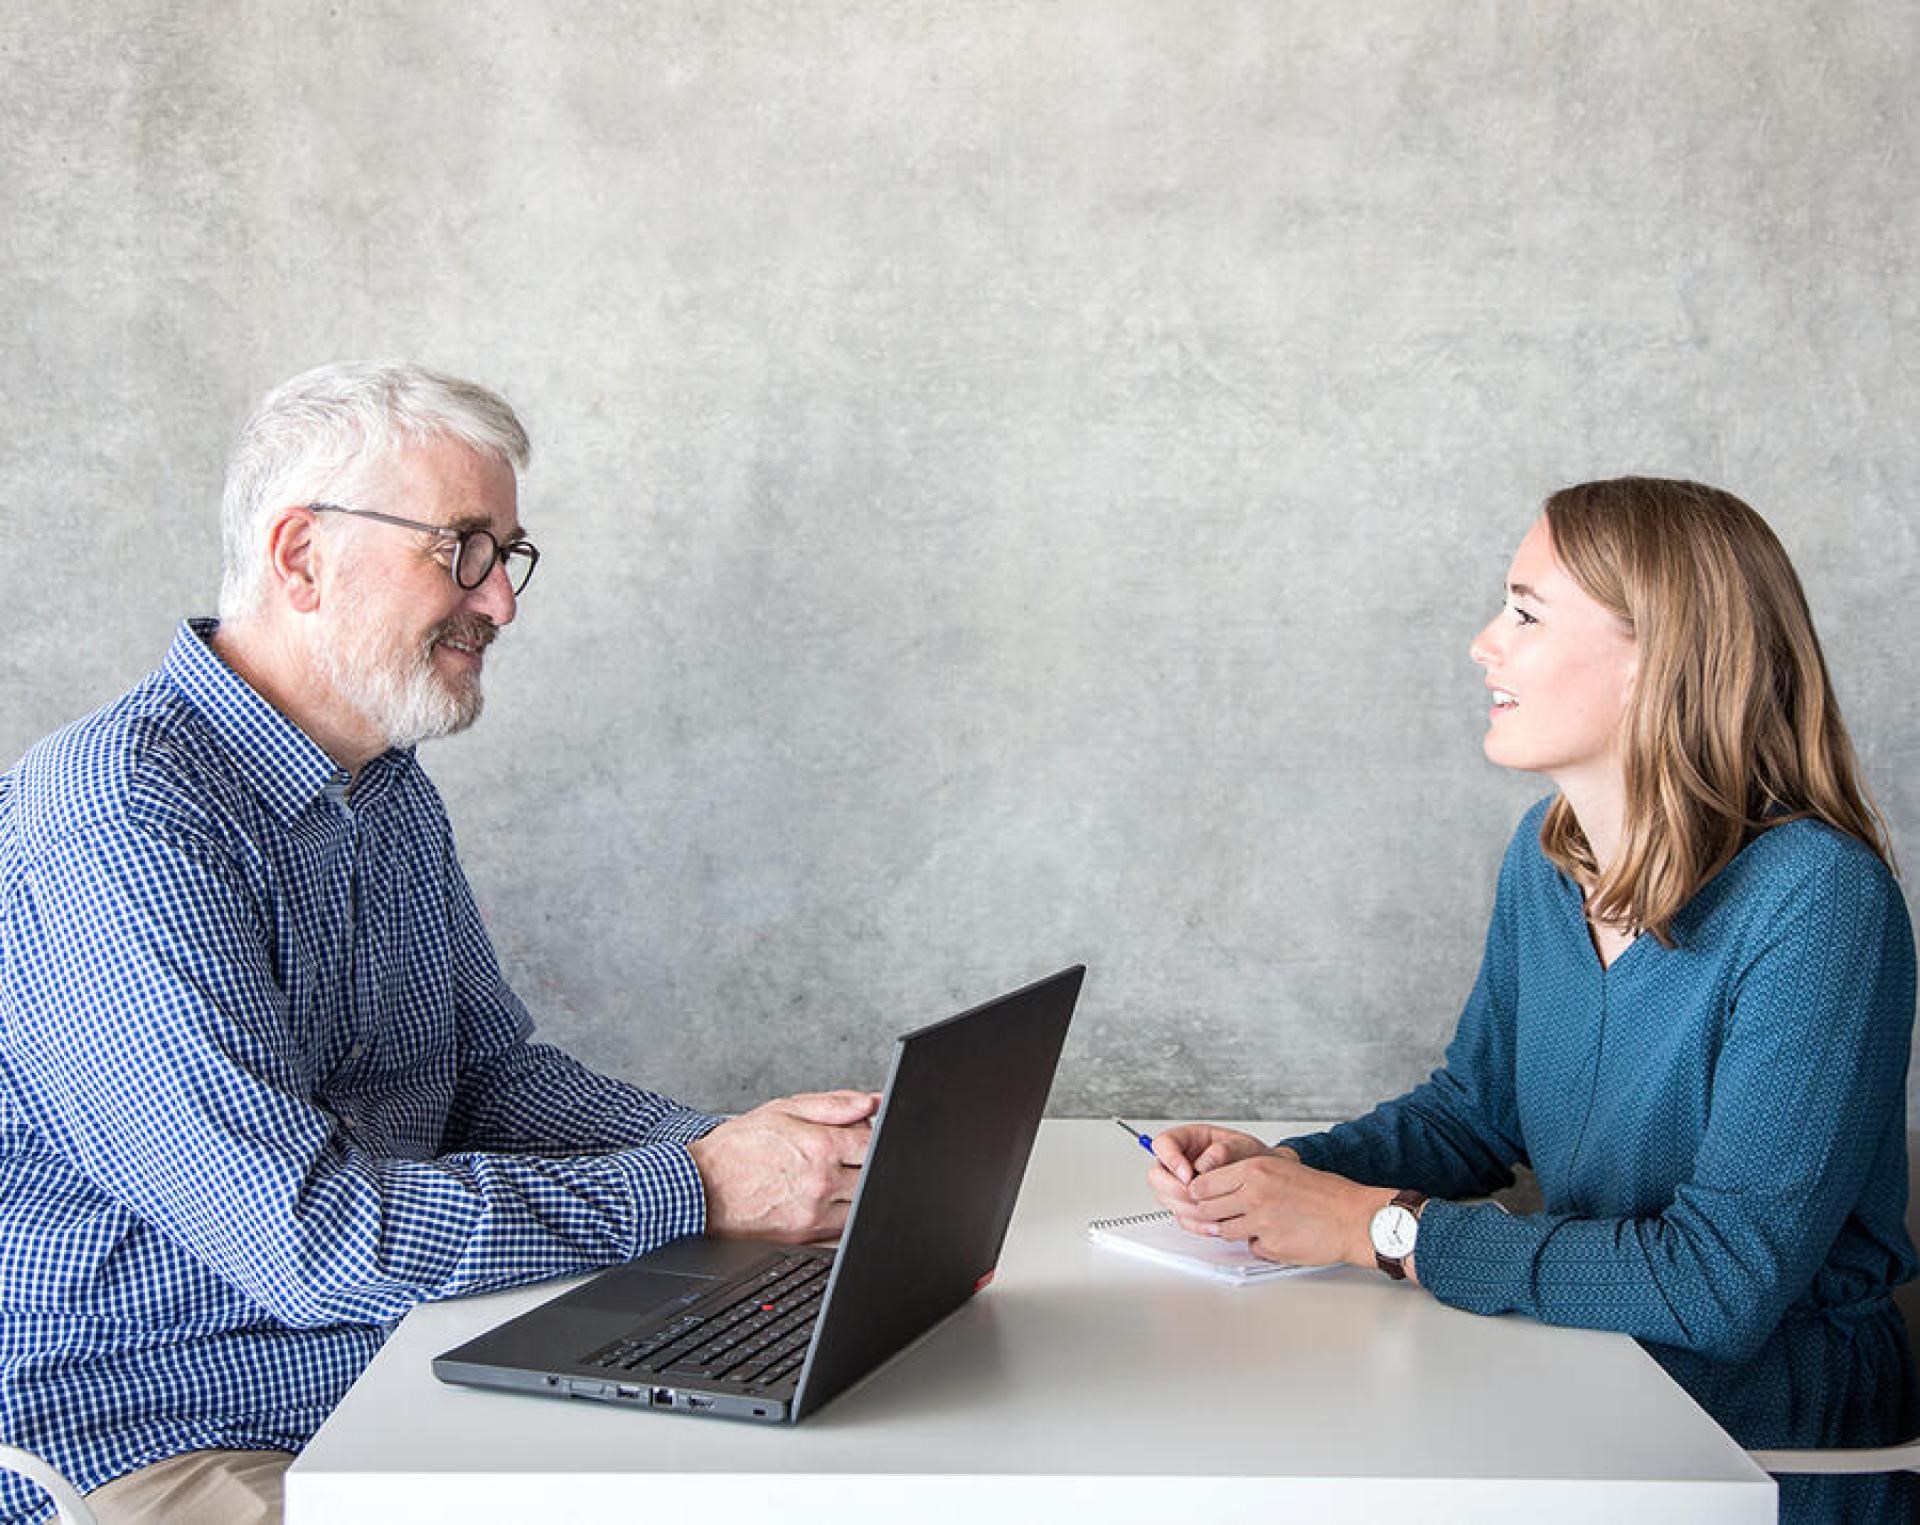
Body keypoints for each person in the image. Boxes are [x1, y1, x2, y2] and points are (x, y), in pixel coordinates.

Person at [0, 362, 879, 1524]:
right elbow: (309, 1238)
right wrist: (696, 1184)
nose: (500, 603)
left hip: (396, 1360)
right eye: (460, 547)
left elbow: (492, 1079)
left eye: (506, 557)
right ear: (301, 555)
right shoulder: (118, 812)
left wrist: (764, 1153)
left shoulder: (387, 788)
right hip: (151, 1420)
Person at [1148, 478, 1917, 1524]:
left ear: (1657, 655)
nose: (1482, 642)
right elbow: (1475, 1113)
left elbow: (1720, 1282)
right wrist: (1292, 1173)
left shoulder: (1820, 902)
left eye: (1524, 611)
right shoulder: (1549, 860)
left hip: (1758, 1455)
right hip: (1579, 1383)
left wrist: (1379, 1230)